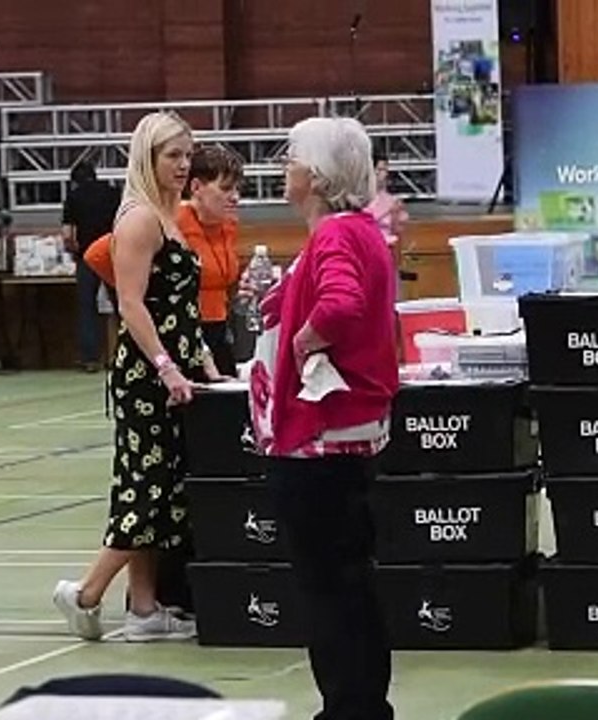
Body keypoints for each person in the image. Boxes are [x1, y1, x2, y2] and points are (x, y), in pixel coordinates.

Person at [53, 111, 225, 643]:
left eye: (186, 154)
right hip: (147, 376)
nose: (182, 164)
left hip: (178, 370)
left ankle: (145, 609)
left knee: (161, 488)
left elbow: (180, 306)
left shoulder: (173, 216)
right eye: (171, 155)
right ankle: (84, 594)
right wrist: (168, 366)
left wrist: (206, 365)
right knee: (148, 490)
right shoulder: (139, 220)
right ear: (147, 158)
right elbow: (131, 305)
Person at [249, 116, 400, 720]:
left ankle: (347, 709)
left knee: (327, 588)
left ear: (313, 174)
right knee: (349, 583)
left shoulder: (336, 236)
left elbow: (341, 304)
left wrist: (304, 341)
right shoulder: (359, 232)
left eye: (291, 160)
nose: (285, 170)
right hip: (347, 436)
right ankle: (360, 705)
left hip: (318, 438)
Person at [178, 145, 243, 377]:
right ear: (196, 187)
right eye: (225, 189)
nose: (235, 197)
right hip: (182, 333)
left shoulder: (227, 224)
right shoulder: (169, 223)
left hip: (219, 329)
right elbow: (99, 255)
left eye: (237, 189)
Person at [62, 161, 122, 372]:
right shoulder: (114, 193)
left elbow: (68, 234)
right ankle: (128, 352)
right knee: (124, 305)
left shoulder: (74, 197)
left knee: (87, 307)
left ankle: (91, 358)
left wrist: (73, 251)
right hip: (114, 253)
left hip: (87, 256)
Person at [365, 152, 408, 247]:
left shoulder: (393, 202)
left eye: (385, 170)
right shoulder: (356, 200)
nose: (385, 174)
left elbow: (397, 232)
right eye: (380, 169)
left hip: (386, 248)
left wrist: (395, 215)